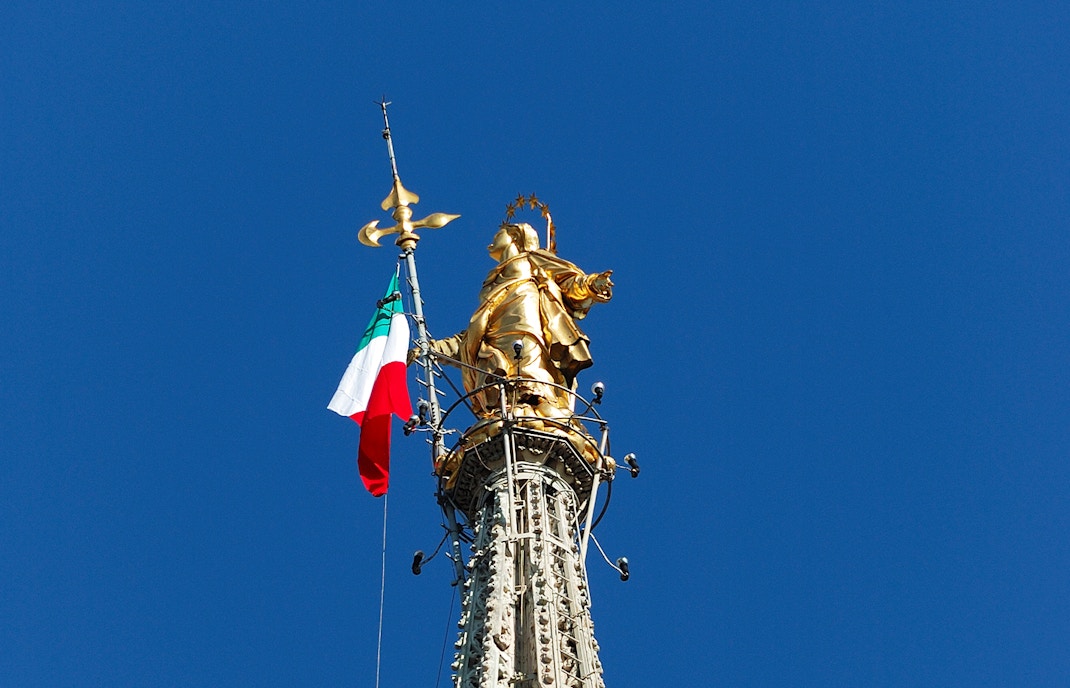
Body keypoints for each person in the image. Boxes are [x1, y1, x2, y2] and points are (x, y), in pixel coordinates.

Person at [425, 222, 613, 419]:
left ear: (514, 237)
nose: (493, 239)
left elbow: (568, 280)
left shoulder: (531, 259)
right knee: (503, 387)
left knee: (530, 381)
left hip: (527, 330)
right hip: (494, 341)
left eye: (499, 234)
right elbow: (472, 335)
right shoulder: (493, 281)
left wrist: (592, 284)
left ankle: (542, 410)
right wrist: (435, 348)